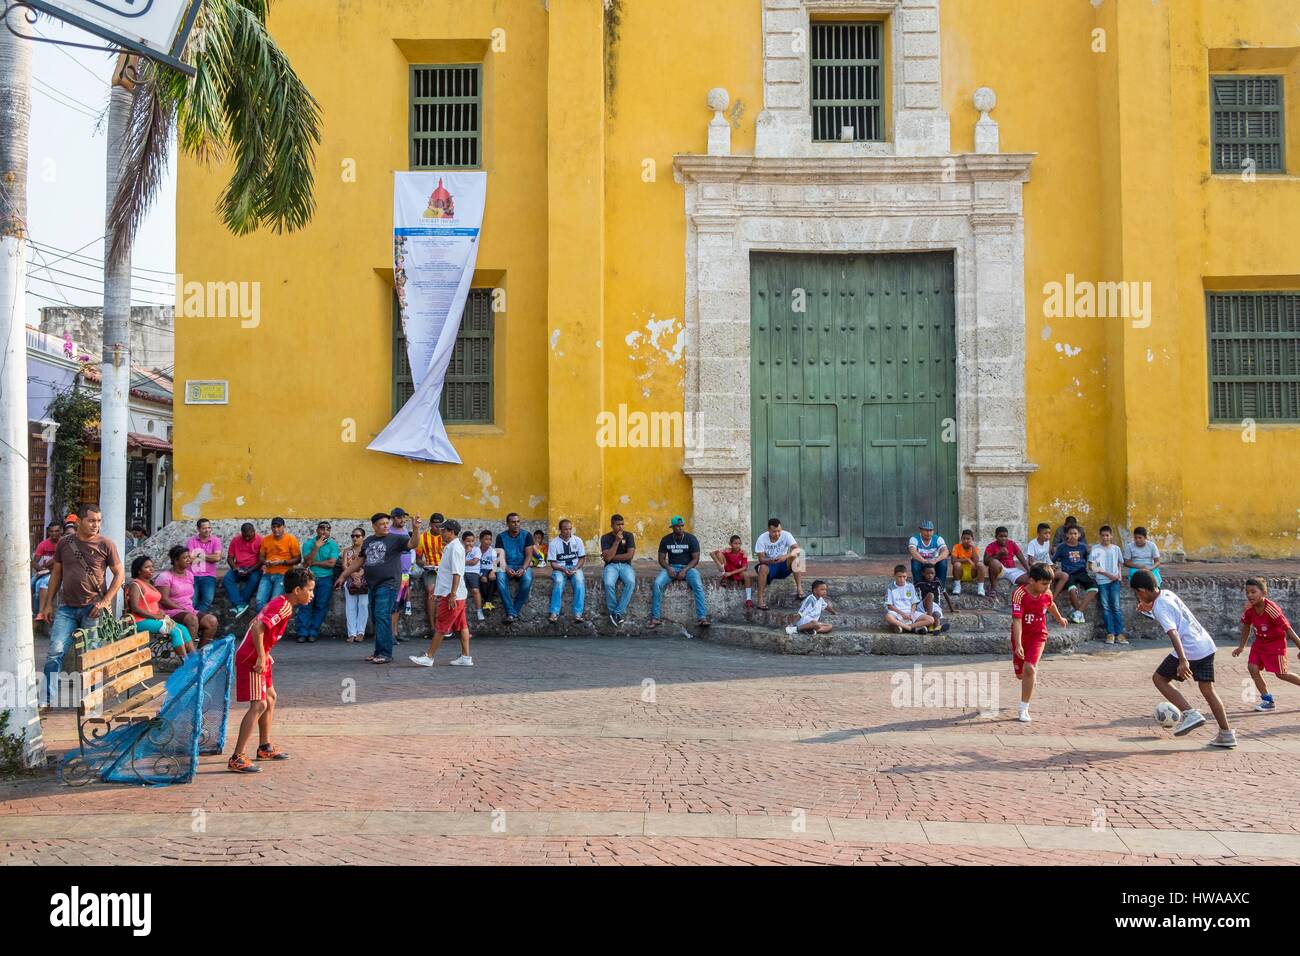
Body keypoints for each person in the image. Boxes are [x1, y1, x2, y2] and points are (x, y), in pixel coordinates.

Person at [1131, 570, 1235, 747]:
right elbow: (1173, 615)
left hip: (1190, 649)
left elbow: (1173, 633)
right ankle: (1226, 734)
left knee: (1159, 679)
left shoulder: (1159, 606)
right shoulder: (1167, 594)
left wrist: (1182, 660)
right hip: (1206, 645)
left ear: (1141, 590)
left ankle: (1189, 713)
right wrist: (1148, 608)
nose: (1137, 597)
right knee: (1208, 690)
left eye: (1137, 593)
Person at [227, 568, 314, 773]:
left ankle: (264, 746)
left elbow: (255, 623)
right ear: (297, 590)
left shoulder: (281, 602)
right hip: (252, 658)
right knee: (259, 704)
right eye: (309, 590)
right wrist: (261, 654)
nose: (312, 595)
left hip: (258, 655)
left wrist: (264, 651)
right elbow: (257, 627)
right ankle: (237, 757)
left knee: (271, 697)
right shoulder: (283, 606)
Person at [37, 505, 124, 708]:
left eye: (99, 521)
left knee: (91, 654)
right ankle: (46, 700)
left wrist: (105, 601)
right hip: (66, 607)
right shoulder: (65, 543)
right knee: (54, 652)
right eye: (91, 520)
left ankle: (91, 699)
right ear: (79, 522)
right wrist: (48, 604)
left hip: (93, 607)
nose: (96, 525)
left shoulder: (106, 544)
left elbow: (119, 574)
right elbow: (56, 574)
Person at [335, 512, 419, 664]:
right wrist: (343, 576)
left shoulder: (397, 538)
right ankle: (379, 651)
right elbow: (359, 562)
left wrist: (416, 528)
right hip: (373, 584)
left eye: (387, 523)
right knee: (376, 617)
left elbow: (413, 544)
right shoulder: (368, 541)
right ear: (374, 526)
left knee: (381, 615)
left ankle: (386, 653)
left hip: (389, 584)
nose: (386, 526)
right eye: (382, 524)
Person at [410, 520, 474, 667]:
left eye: (443, 530)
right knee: (462, 625)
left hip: (453, 595)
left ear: (451, 532)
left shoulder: (455, 548)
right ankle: (465, 657)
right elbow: (446, 573)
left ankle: (429, 657)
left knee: (441, 626)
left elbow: (457, 573)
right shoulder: (452, 547)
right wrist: (438, 592)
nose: (441, 532)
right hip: (453, 594)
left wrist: (452, 594)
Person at [1010, 563, 1069, 723]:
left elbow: (1051, 605)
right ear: (1031, 581)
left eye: (1049, 584)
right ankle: (1031, 675)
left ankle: (1024, 708)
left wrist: (1060, 618)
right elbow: (1017, 621)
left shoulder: (1047, 593)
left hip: (1039, 635)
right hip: (1021, 637)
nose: (1047, 587)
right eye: (1043, 584)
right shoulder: (1019, 594)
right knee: (1021, 674)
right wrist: (1019, 644)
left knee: (1029, 668)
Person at [1233, 578, 1300, 712]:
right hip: (1259, 644)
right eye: (1247, 592)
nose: (1249, 595)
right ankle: (1267, 700)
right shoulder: (1249, 609)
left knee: (1281, 674)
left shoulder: (1271, 609)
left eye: (1253, 592)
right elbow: (1246, 626)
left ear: (1263, 593)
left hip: (1276, 645)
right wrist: (1242, 646)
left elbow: (1288, 629)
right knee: (1252, 668)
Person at [127, 555, 196, 659]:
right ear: (139, 571)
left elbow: (152, 603)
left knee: (183, 629)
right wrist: (154, 616)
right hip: (140, 621)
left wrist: (160, 612)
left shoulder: (149, 584)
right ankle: (186, 662)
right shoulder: (136, 585)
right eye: (147, 567)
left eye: (152, 566)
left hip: (156, 619)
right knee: (175, 631)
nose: (151, 569)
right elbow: (135, 608)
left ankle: (195, 659)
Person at [650, 516, 709, 628]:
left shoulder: (691, 539)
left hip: (688, 568)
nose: (680, 528)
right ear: (672, 527)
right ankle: (655, 618)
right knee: (657, 584)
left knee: (698, 585)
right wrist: (668, 568)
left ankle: (702, 618)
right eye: (678, 526)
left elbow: (695, 559)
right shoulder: (666, 539)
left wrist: (685, 570)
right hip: (672, 567)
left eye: (682, 526)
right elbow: (661, 559)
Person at [156, 544, 220, 646]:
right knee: (192, 619)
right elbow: (163, 600)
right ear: (176, 560)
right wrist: (180, 608)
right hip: (169, 613)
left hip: (188, 610)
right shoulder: (165, 577)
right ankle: (189, 655)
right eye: (185, 558)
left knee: (212, 621)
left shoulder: (190, 575)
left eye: (188, 557)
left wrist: (186, 609)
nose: (188, 560)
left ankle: (201, 653)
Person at [296, 521, 338, 643]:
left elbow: (331, 564)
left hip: (326, 579)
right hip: (309, 578)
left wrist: (313, 563)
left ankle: (313, 632)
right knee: (305, 605)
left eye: (327, 529)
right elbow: (307, 562)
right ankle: (302, 633)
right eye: (322, 528)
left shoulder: (333, 545)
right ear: (317, 530)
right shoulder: (309, 544)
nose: (324, 531)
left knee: (321, 606)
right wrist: (317, 546)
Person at [754, 518, 803, 609]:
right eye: (774, 531)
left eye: (779, 531)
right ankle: (760, 600)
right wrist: (770, 561)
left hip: (783, 564)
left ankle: (799, 588)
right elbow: (761, 559)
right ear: (769, 530)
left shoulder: (786, 535)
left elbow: (798, 550)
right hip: (770, 566)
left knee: (796, 558)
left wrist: (785, 556)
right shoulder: (762, 538)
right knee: (762, 567)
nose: (777, 534)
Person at [1089, 525, 1127, 644]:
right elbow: (1091, 566)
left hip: (1115, 581)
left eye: (1107, 535)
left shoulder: (1116, 549)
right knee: (1106, 607)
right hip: (1102, 581)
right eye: (1103, 535)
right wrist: (1107, 574)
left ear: (1111, 536)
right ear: (1100, 536)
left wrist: (1119, 574)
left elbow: (1119, 563)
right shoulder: (1096, 549)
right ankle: (1110, 633)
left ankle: (1119, 634)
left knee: (1116, 607)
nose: (1105, 538)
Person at [495, 512, 536, 623]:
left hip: (522, 564)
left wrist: (523, 568)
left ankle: (512, 613)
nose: (516, 524)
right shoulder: (500, 537)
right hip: (505, 565)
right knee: (499, 577)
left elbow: (529, 556)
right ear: (507, 524)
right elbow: (499, 559)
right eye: (513, 522)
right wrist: (506, 568)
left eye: (518, 521)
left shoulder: (527, 535)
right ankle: (512, 612)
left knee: (527, 580)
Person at [1052, 525, 1096, 624]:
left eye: (1075, 533)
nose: (1073, 536)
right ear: (1066, 535)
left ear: (1079, 535)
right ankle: (1079, 614)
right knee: (1072, 590)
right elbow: (1053, 560)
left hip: (1082, 572)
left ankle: (1078, 612)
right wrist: (1054, 569)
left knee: (1094, 588)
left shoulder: (1083, 547)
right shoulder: (1062, 547)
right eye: (1070, 533)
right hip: (1069, 574)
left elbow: (1089, 559)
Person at [256, 517, 301, 611]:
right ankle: (261, 624)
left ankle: (271, 624)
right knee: (259, 601)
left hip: (283, 574)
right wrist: (265, 562)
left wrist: (282, 562)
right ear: (271, 527)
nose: (276, 529)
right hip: (267, 573)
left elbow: (298, 559)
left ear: (284, 527)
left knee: (274, 602)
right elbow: (261, 557)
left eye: (279, 527)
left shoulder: (291, 539)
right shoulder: (266, 540)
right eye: (273, 527)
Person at [547, 519, 587, 623]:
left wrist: (576, 568)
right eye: (565, 529)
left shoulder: (578, 540)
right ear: (560, 530)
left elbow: (582, 559)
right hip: (560, 568)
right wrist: (563, 569)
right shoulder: (554, 543)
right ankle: (554, 613)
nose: (568, 531)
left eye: (570, 529)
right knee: (559, 582)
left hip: (575, 567)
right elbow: (553, 563)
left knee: (579, 582)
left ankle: (578, 614)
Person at [600, 514, 637, 626]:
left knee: (630, 582)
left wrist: (610, 557)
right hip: (611, 567)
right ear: (612, 525)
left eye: (622, 524)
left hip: (626, 566)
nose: (621, 527)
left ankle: (617, 612)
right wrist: (616, 542)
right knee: (608, 583)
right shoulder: (605, 538)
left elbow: (629, 556)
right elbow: (607, 559)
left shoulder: (629, 536)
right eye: (618, 525)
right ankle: (613, 612)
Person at [223, 522, 263, 617]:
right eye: (244, 536)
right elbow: (230, 558)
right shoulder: (235, 540)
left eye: (249, 536)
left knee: (254, 580)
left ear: (254, 532)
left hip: (254, 568)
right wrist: (235, 568)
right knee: (227, 579)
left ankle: (239, 605)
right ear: (241, 533)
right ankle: (240, 604)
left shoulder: (261, 540)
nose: (247, 538)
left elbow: (262, 561)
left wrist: (249, 570)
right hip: (239, 567)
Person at [389, 508, 417, 643]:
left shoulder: (404, 531)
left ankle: (395, 632)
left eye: (403, 517)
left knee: (400, 604)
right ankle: (390, 635)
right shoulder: (389, 532)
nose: (402, 520)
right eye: (399, 517)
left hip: (405, 574)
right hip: (395, 574)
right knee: (394, 604)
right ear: (393, 518)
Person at [186, 518, 222, 615]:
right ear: (198, 529)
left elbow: (217, 557)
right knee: (192, 601)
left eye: (209, 527)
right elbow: (190, 558)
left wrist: (198, 555)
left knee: (207, 600)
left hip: (209, 575)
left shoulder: (216, 541)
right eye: (204, 528)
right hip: (192, 575)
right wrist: (209, 556)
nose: (207, 530)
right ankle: (192, 621)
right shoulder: (191, 541)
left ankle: (195, 618)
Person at [884, 564, 933, 634]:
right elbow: (889, 606)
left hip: (909, 612)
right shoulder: (890, 587)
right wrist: (902, 613)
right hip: (897, 612)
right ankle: (911, 628)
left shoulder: (910, 586)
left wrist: (911, 614)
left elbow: (914, 603)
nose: (902, 579)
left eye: (904, 576)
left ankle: (906, 626)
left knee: (930, 619)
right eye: (899, 577)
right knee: (888, 617)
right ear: (894, 575)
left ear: (906, 576)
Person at [341, 527, 369, 643]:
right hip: (350, 581)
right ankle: (352, 633)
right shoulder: (347, 551)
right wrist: (352, 574)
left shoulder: (367, 550)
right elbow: (344, 565)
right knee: (350, 607)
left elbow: (368, 564)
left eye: (357, 536)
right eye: (353, 536)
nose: (354, 538)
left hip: (364, 581)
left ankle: (360, 632)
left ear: (363, 537)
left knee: (363, 605)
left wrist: (359, 575)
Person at [983, 526, 1030, 595]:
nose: (1003, 538)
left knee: (1031, 579)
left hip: (1012, 570)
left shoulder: (1012, 544)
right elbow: (986, 561)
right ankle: (993, 587)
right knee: (994, 562)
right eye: (1000, 536)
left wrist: (1029, 570)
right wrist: (998, 555)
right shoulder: (991, 546)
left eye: (1005, 536)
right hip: (1000, 570)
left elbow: (1021, 557)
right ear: (996, 536)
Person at [710, 535, 755, 606]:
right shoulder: (726, 550)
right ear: (730, 544)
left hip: (736, 572)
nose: (737, 545)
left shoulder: (743, 553)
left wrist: (731, 573)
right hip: (726, 571)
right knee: (719, 554)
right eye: (735, 543)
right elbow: (712, 553)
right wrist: (718, 564)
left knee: (746, 574)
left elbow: (744, 567)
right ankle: (723, 576)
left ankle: (748, 599)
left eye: (739, 543)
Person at [1025, 521, 1068, 592]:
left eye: (1049, 533)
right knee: (1059, 575)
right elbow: (1031, 562)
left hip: (1046, 568)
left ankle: (1053, 597)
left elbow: (1046, 555)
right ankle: (1048, 588)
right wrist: (1046, 566)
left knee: (1063, 574)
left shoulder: (1047, 542)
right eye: (1045, 533)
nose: (1048, 535)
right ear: (1038, 534)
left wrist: (1051, 564)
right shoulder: (1032, 544)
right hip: (1037, 569)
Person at [907, 520, 949, 591]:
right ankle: (918, 586)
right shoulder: (914, 539)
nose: (928, 533)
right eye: (926, 530)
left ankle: (940, 586)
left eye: (930, 530)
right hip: (921, 562)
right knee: (915, 561)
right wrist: (923, 561)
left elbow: (946, 551)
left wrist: (936, 560)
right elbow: (912, 551)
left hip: (934, 563)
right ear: (920, 530)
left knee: (943, 562)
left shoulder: (938, 539)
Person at [31, 521, 62, 616]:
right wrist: (41, 570)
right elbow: (34, 562)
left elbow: (59, 559)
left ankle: (39, 612)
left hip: (59, 573)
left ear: (61, 531)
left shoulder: (64, 543)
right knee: (31, 582)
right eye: (51, 531)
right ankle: (32, 611)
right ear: (48, 532)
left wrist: (48, 566)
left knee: (41, 584)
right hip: (46, 572)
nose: (54, 533)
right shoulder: (43, 544)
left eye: (56, 531)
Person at [948, 529, 985, 597]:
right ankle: (957, 586)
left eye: (968, 539)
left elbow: (976, 561)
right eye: (964, 538)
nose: (966, 541)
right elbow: (953, 561)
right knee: (957, 564)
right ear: (961, 539)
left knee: (981, 564)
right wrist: (966, 560)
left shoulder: (975, 548)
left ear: (972, 539)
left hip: (972, 572)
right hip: (960, 572)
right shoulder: (957, 547)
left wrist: (973, 548)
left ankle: (980, 588)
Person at [916, 563, 951, 633]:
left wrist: (952, 609)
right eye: (928, 573)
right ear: (923, 573)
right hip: (922, 606)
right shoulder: (919, 583)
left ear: (935, 573)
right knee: (930, 595)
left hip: (935, 605)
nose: (930, 575)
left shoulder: (937, 582)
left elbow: (945, 593)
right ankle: (930, 620)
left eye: (932, 573)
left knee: (937, 615)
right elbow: (913, 598)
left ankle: (936, 628)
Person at [462, 530, 485, 622]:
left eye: (472, 541)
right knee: (462, 592)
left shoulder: (476, 549)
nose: (470, 543)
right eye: (468, 541)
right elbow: (457, 560)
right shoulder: (461, 550)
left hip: (473, 572)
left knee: (475, 590)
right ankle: (461, 611)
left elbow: (474, 562)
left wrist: (463, 561)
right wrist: (466, 552)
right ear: (463, 541)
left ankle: (479, 610)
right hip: (462, 572)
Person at [477, 530, 498, 612]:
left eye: (490, 539)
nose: (488, 541)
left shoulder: (492, 551)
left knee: (493, 579)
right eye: (486, 539)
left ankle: (487, 602)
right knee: (483, 580)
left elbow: (495, 564)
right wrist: (481, 575)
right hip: (480, 570)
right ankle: (488, 602)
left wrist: (493, 572)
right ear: (480, 539)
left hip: (490, 569)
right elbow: (476, 565)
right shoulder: (476, 550)